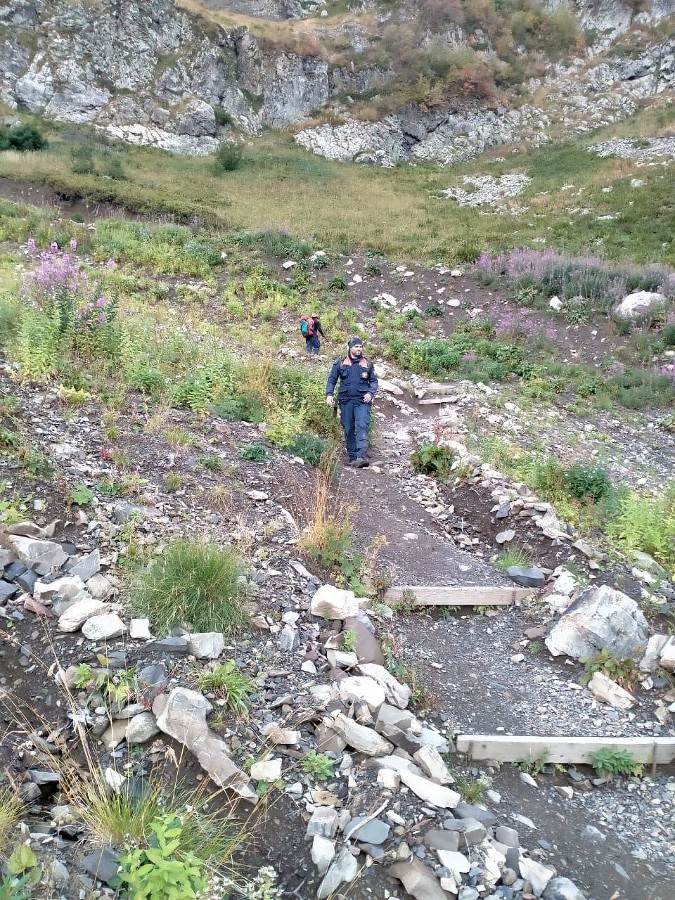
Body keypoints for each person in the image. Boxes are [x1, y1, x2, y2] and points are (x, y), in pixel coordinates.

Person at [325, 337, 378, 467]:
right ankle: (353, 457)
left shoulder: (367, 363)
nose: (359, 349)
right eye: (356, 347)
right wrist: (329, 394)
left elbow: (373, 381)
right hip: (346, 401)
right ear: (350, 348)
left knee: (362, 425)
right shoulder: (340, 363)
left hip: (362, 401)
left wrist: (370, 393)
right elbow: (332, 380)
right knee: (348, 428)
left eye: (361, 347)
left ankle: (361, 456)